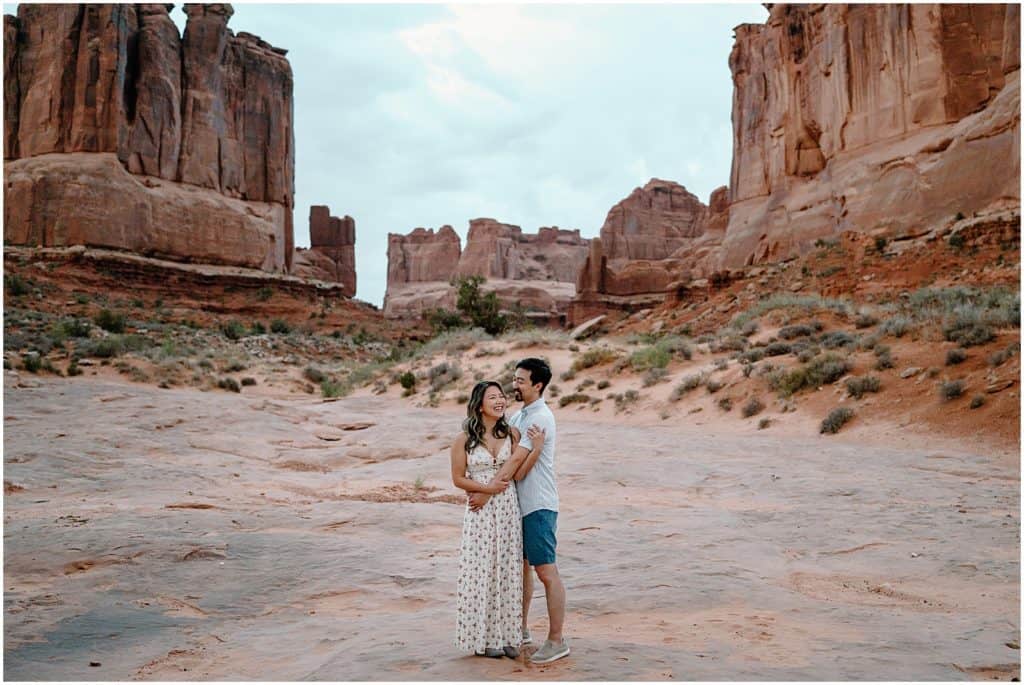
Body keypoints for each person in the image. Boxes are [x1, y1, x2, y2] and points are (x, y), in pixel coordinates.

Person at [470, 358, 569, 664]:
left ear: (538, 385)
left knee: (546, 571)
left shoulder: (540, 418)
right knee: (522, 570)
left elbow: (516, 466)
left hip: (538, 505)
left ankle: (556, 640)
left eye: (521, 381)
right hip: (519, 506)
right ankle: (520, 629)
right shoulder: (521, 416)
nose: (515, 385)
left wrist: (486, 494)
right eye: (514, 379)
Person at [451, 380, 545, 658]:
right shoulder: (463, 439)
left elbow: (518, 473)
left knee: (508, 570)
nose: (500, 400)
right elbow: (458, 479)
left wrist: (536, 448)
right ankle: (486, 638)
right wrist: (485, 490)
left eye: (502, 396)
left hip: (507, 509)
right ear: (480, 404)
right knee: (483, 570)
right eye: (493, 397)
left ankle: (509, 637)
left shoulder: (513, 434)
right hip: (479, 512)